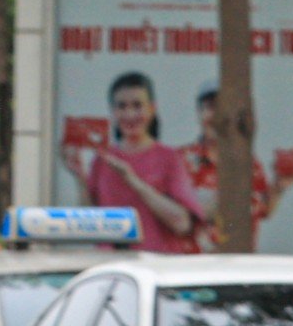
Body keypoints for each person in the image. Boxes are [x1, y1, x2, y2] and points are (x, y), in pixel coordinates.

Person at [67, 71, 203, 254]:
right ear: (113, 112)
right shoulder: (102, 159)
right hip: (110, 263)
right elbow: (89, 224)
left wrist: (133, 181)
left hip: (155, 263)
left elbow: (182, 224)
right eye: (122, 107)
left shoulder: (169, 158)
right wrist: (79, 177)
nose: (129, 114)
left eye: (137, 106)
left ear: (152, 109)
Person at [184, 84, 293, 242]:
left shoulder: (249, 164)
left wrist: (279, 187)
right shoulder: (180, 161)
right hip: (192, 264)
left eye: (223, 108)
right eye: (210, 107)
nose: (218, 116)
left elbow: (264, 210)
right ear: (199, 114)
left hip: (240, 263)